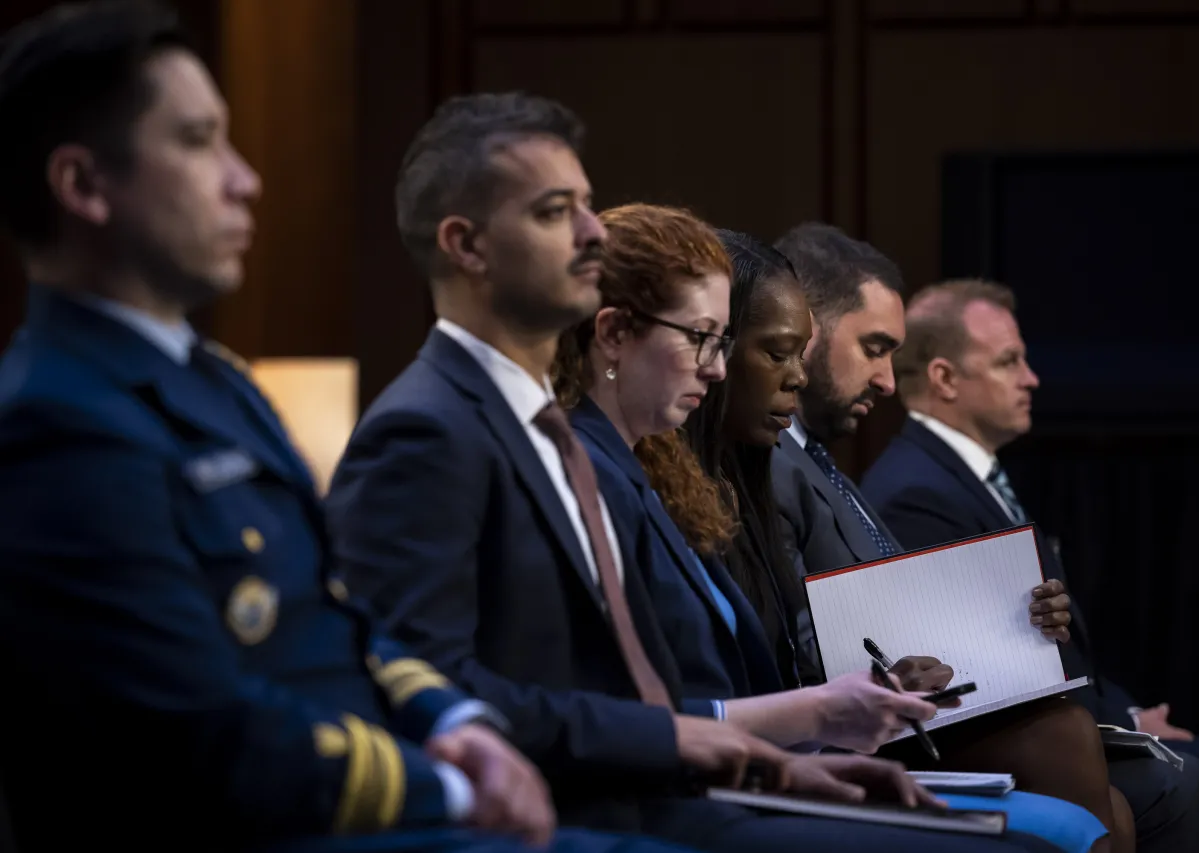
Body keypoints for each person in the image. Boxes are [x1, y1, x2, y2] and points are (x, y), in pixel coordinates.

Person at [0, 5, 701, 853]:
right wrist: (444, 780)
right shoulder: (59, 420)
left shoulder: (214, 380)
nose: (244, 178)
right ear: (83, 186)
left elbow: (345, 616)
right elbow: (199, 728)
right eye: (196, 141)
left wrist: (457, 718)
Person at [324, 91, 1065, 853]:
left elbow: (630, 684)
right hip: (599, 814)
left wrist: (779, 760)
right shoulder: (428, 428)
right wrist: (745, 747)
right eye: (554, 212)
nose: (589, 232)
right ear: (466, 246)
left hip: (680, 791)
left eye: (585, 205)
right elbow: (429, 693)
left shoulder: (550, 428)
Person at [552, 202, 1115, 853]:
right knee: (1047, 827)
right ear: (615, 334)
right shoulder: (590, 474)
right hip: (689, 800)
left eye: (723, 342)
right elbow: (614, 714)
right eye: (704, 338)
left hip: (751, 771)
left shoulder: (651, 474)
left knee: (1077, 815)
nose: (716, 366)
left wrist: (824, 733)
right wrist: (812, 728)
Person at [862, 278, 1199, 853]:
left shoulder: (964, 477)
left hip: (1074, 722)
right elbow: (976, 671)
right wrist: (1127, 727)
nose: (1032, 379)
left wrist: (1126, 713)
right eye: (1010, 362)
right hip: (1016, 739)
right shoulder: (914, 491)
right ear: (945, 378)